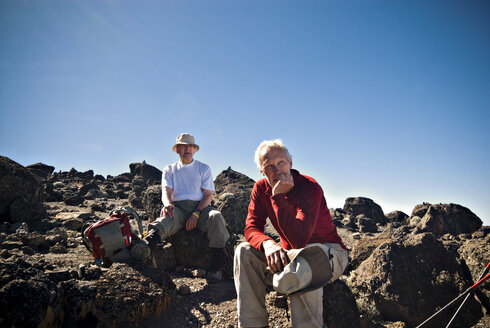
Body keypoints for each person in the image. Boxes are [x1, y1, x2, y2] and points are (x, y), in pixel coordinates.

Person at [234, 139, 348, 328]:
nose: (277, 171)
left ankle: (289, 283)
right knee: (244, 251)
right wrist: (267, 243)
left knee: (305, 261)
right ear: (261, 171)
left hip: (328, 253)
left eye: (281, 163)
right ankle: (253, 324)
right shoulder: (260, 188)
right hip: (291, 256)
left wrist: (278, 197)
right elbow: (251, 227)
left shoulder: (309, 187)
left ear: (291, 164)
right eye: (269, 166)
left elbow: (299, 238)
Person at [145, 133, 230, 282]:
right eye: (183, 146)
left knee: (216, 217)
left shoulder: (203, 168)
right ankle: (145, 247)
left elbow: (208, 195)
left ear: (195, 149)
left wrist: (196, 214)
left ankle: (217, 267)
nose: (187, 149)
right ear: (177, 149)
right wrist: (168, 205)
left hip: (201, 208)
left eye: (190, 145)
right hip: (178, 208)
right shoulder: (169, 169)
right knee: (166, 218)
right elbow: (166, 192)